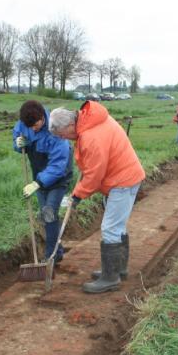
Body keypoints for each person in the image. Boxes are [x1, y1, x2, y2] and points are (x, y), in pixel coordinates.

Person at [49, 100, 145, 294]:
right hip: (122, 177)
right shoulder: (89, 121)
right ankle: (119, 269)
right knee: (117, 226)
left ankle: (110, 278)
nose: (64, 139)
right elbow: (90, 168)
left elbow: (94, 174)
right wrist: (79, 189)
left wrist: (77, 196)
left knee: (110, 228)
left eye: (62, 135)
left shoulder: (90, 136)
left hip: (122, 181)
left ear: (69, 125)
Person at [13, 100, 73, 263]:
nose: (33, 128)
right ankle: (57, 251)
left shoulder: (56, 130)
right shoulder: (25, 123)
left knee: (49, 213)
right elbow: (18, 136)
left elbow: (57, 166)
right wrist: (18, 145)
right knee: (46, 215)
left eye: (36, 125)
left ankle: (49, 257)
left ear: (42, 117)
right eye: (29, 126)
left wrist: (37, 183)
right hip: (39, 173)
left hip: (59, 175)